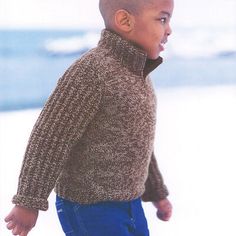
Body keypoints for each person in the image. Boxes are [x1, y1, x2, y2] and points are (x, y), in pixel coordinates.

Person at [5, 0, 174, 235]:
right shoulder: (91, 72)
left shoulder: (140, 75)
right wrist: (28, 200)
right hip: (89, 207)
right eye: (162, 19)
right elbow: (50, 137)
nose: (169, 29)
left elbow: (138, 141)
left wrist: (156, 191)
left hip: (131, 204)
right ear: (125, 21)